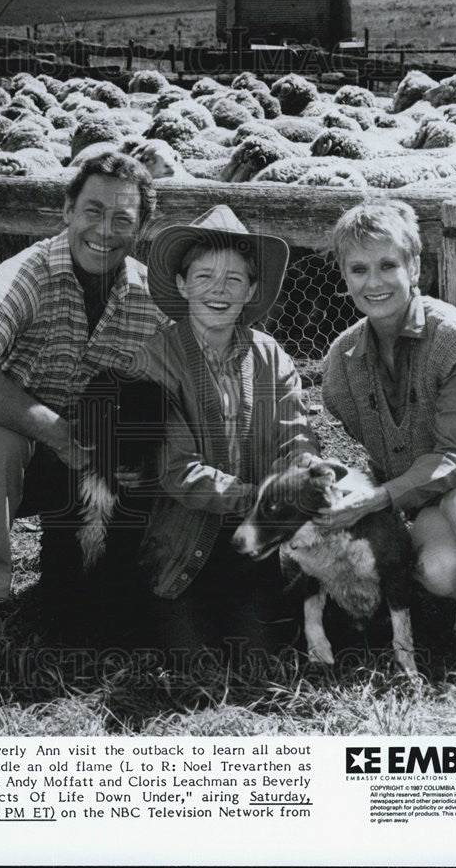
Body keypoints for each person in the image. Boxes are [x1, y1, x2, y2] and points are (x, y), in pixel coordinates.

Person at [0, 150, 169, 668]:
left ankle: (125, 588)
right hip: (30, 457)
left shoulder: (151, 299)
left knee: (155, 429)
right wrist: (59, 435)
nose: (105, 230)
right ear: (67, 210)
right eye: (93, 211)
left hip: (100, 467)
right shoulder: (28, 273)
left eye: (123, 218)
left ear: (143, 227)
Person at [320, 201, 456, 694]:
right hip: (432, 499)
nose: (373, 282)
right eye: (358, 269)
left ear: (415, 267)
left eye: (388, 265)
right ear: (344, 274)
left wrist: (381, 498)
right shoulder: (342, 360)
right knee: (435, 568)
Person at [128, 205, 319, 664]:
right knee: (189, 657)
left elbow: (296, 436)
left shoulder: (271, 356)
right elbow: (175, 471)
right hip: (183, 540)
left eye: (235, 279)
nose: (219, 290)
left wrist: (299, 473)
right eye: (204, 276)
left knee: (263, 651)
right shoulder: (154, 360)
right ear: (181, 283)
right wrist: (257, 498)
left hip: (257, 539)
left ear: (252, 290)